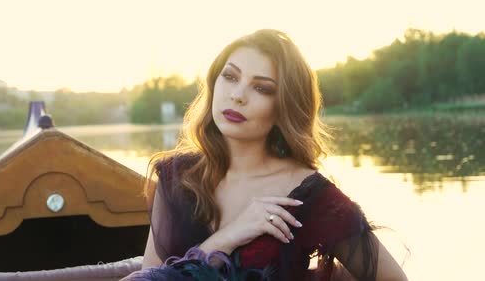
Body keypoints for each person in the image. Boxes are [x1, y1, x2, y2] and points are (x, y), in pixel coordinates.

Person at [124, 29, 407, 280]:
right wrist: (226, 239)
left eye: (261, 88)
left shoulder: (308, 195)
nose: (238, 95)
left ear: (284, 105)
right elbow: (149, 279)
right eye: (230, 77)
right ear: (214, 83)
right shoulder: (178, 176)